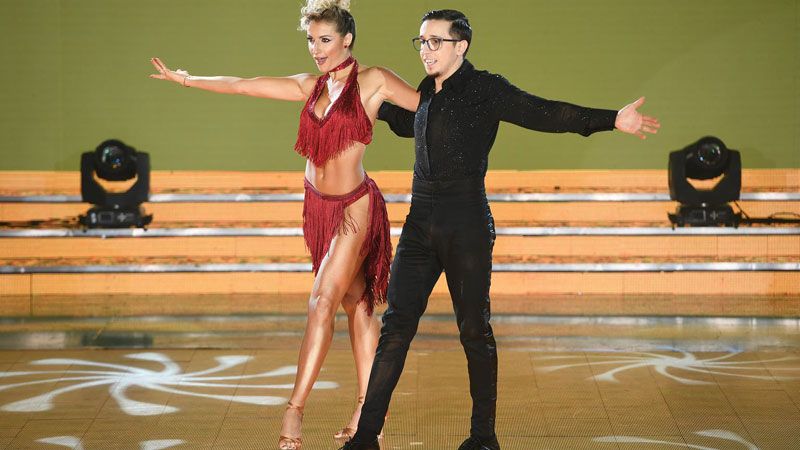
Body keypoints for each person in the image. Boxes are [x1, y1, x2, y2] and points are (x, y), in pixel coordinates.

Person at [341, 9, 660, 450]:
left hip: (466, 224)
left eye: (435, 42)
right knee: (396, 327)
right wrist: (362, 99)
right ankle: (365, 438)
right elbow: (406, 123)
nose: (426, 51)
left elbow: (545, 113)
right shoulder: (426, 92)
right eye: (422, 42)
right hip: (420, 225)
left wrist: (611, 119)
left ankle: (483, 438)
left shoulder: (486, 89)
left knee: (474, 330)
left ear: (461, 46)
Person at [149, 1, 420, 449]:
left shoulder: (374, 80)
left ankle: (294, 411)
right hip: (318, 210)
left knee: (322, 300)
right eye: (311, 40)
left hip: (354, 209)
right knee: (357, 304)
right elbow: (243, 85)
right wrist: (188, 79)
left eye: (325, 39)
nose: (316, 48)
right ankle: (368, 411)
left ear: (347, 39)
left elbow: (431, 107)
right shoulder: (310, 86)